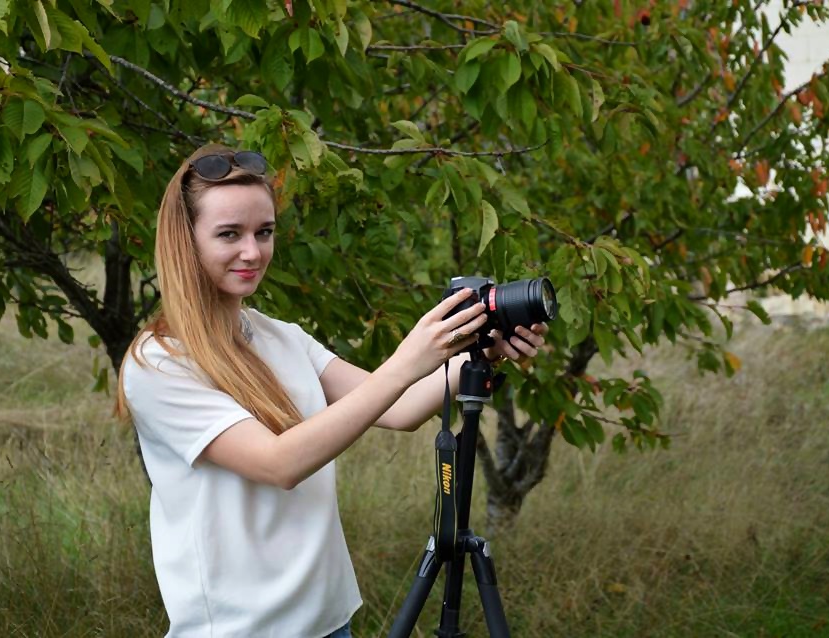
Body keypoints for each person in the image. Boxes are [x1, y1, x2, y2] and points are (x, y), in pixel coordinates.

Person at [116, 144, 549, 638]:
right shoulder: (159, 365)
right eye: (229, 235)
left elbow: (401, 407)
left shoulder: (281, 336)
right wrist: (407, 359)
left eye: (265, 232)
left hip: (329, 621)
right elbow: (279, 464)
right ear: (185, 242)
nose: (252, 252)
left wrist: (479, 352)